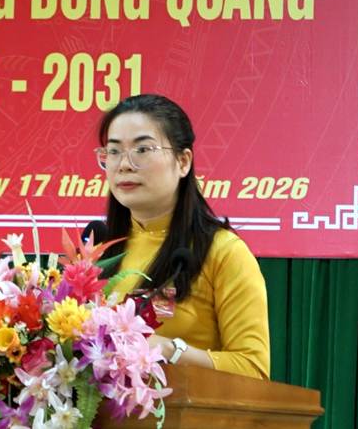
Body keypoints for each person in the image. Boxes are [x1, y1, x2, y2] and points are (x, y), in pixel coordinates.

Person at [95, 94, 270, 380]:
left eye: (142, 149)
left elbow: (253, 370)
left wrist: (169, 350)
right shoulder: (98, 252)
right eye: (113, 151)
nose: (124, 164)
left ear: (183, 161)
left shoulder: (223, 252)